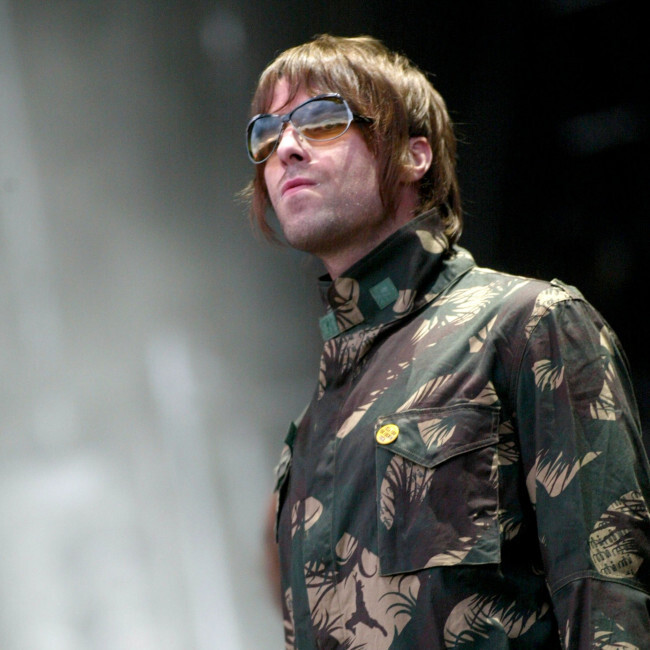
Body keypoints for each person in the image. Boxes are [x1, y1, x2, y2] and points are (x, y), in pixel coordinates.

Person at [243, 34, 650, 649]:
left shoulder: (529, 324)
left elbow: (608, 605)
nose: (286, 148)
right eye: (267, 133)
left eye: (322, 119)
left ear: (415, 156)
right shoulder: (311, 430)